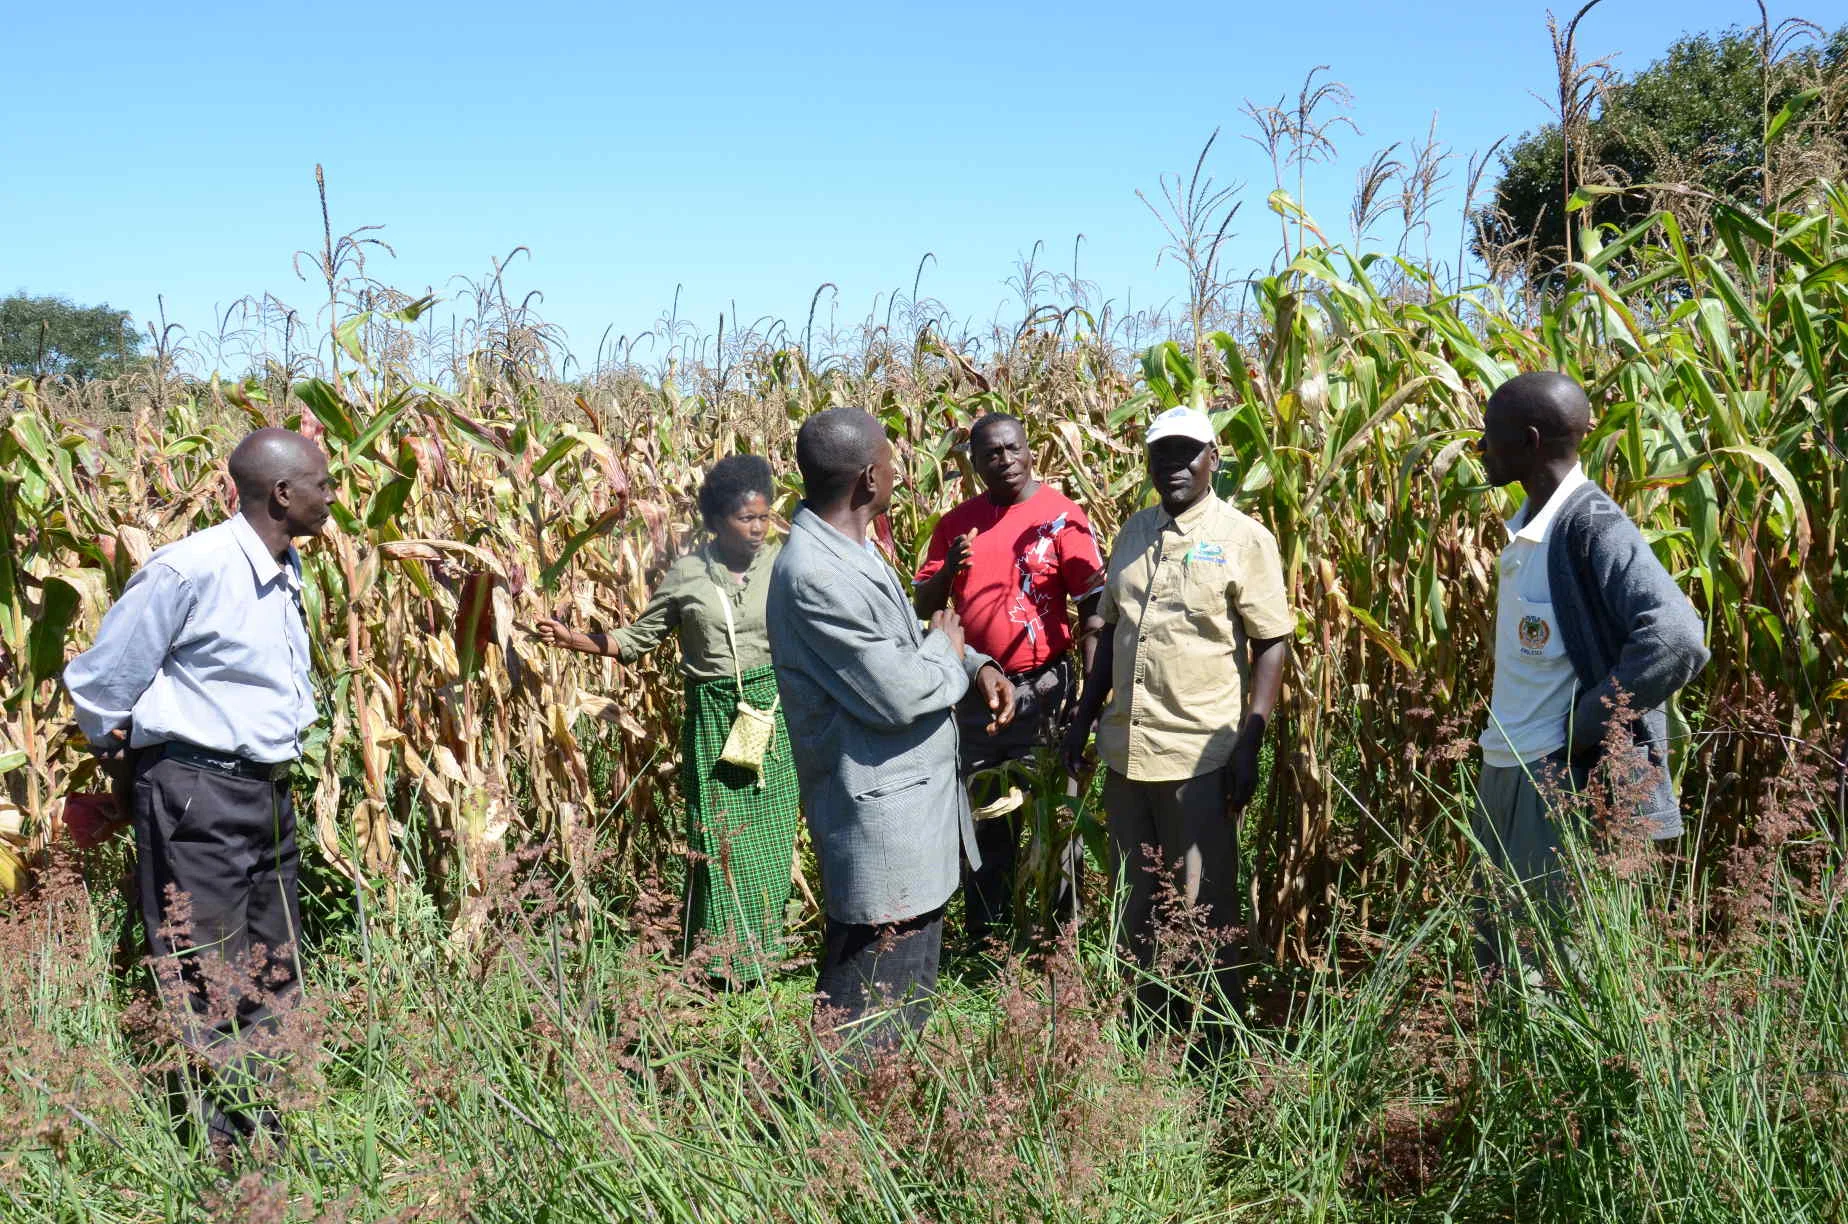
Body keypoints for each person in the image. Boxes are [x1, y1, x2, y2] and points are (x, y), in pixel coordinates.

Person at [63, 427, 331, 1150]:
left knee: (275, 962)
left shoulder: (285, 566)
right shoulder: (193, 569)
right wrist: (126, 764)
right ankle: (222, 1152)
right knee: (210, 968)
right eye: (323, 485)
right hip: (197, 792)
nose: (332, 498)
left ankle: (267, 1129)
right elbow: (101, 681)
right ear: (282, 493)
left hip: (266, 794)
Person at [768, 407, 1015, 1062]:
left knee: (902, 1001)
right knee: (868, 1009)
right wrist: (947, 650)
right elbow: (899, 689)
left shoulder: (852, 548)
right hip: (883, 828)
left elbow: (904, 643)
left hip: (911, 817)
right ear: (868, 476)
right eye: (892, 461)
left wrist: (975, 664)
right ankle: (837, 1143)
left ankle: (882, 1125)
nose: (901, 473)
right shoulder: (816, 574)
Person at [1471, 371, 1708, 974]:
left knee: (1555, 969)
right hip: (1507, 769)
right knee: (1503, 963)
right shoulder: (1533, 524)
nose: (1480, 447)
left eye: (1490, 435)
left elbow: (1677, 637)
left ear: (1527, 440)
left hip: (1558, 782)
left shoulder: (1591, 525)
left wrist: (1588, 720)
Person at [1062, 406, 1293, 1024]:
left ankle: (1216, 1039)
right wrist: (1083, 720)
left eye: (1187, 453)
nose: (1174, 466)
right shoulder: (1133, 533)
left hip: (1199, 757)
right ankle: (1146, 1032)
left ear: (1213, 459)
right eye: (1161, 454)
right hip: (1127, 753)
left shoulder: (1245, 539)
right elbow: (1109, 634)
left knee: (1202, 906)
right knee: (1135, 902)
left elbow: (1271, 642)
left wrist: (1251, 740)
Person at [537, 455, 799, 987]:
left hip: (773, 714)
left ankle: (763, 963)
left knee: (768, 841)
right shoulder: (687, 574)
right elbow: (637, 640)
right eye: (745, 518)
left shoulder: (786, 561)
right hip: (713, 715)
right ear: (717, 519)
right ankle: (721, 966)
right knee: (719, 840)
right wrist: (575, 640)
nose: (757, 528)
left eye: (764, 517)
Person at [913, 411, 1106, 950]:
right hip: (973, 693)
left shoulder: (1061, 517)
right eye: (991, 453)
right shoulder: (956, 524)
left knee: (1054, 816)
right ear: (973, 462)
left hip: (1045, 690)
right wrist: (950, 568)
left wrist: (1087, 698)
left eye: (1013, 448)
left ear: (1029, 450)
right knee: (982, 813)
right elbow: (923, 603)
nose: (1005, 460)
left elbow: (1093, 608)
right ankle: (987, 938)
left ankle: (1058, 939)